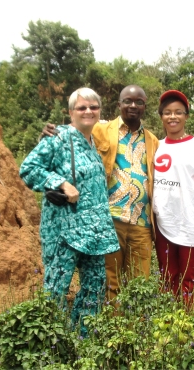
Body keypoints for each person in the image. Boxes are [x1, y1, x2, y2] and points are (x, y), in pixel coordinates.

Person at [42, 85, 159, 304]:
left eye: (139, 102)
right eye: (127, 101)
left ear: (145, 107)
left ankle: (134, 330)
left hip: (141, 222)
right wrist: (51, 133)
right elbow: (75, 133)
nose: (133, 106)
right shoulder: (101, 129)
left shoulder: (153, 141)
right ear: (119, 105)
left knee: (139, 283)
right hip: (109, 219)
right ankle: (110, 328)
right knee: (110, 280)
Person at [19, 87, 120, 335]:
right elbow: (28, 168)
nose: (88, 111)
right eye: (82, 107)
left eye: (93, 107)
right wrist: (60, 183)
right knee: (56, 288)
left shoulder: (93, 142)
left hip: (95, 233)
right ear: (70, 112)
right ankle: (54, 344)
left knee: (95, 286)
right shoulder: (58, 138)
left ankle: (83, 338)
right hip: (64, 231)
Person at [152, 90, 194, 308]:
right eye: (167, 112)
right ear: (161, 116)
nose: (173, 117)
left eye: (178, 112)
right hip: (163, 225)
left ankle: (191, 324)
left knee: (190, 278)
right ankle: (168, 322)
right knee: (168, 276)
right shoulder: (155, 147)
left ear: (186, 116)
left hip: (190, 224)